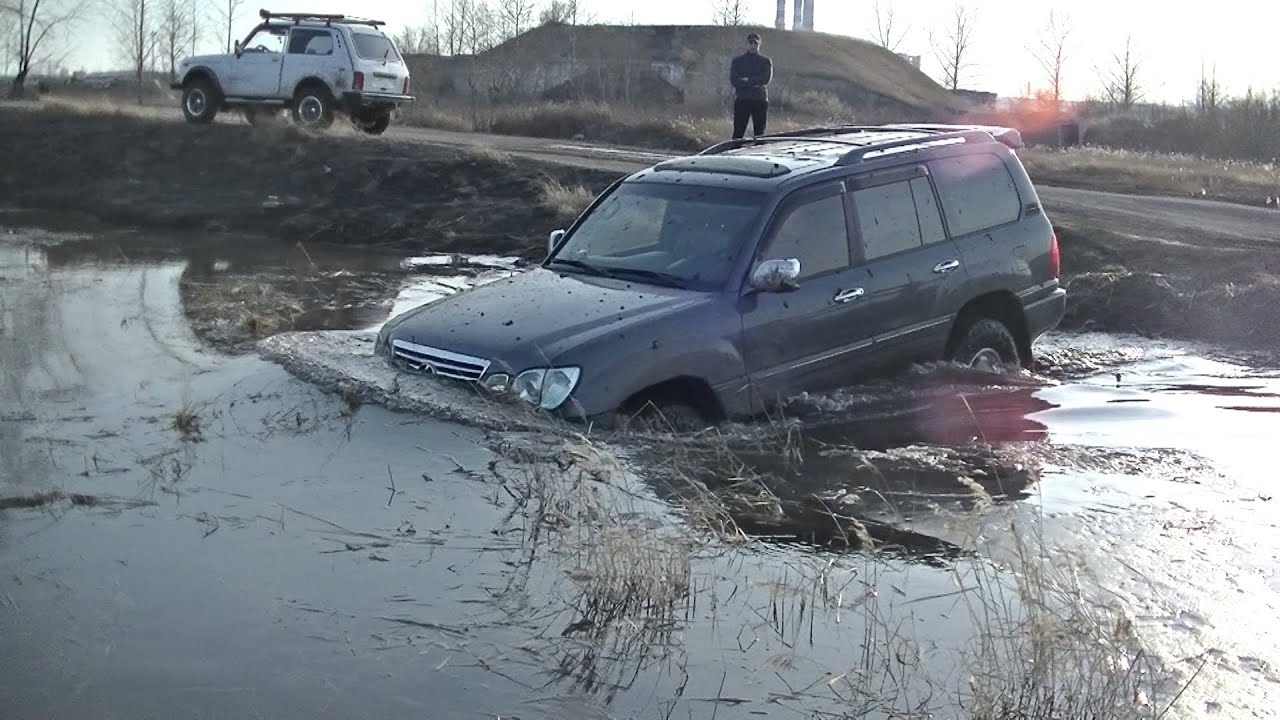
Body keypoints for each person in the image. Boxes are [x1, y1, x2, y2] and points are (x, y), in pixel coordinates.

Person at [729, 32, 773, 140]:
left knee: (760, 134)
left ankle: (759, 150)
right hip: (743, 99)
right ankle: (734, 150)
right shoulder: (738, 61)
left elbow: (765, 79)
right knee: (738, 132)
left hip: (759, 100)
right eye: (750, 43)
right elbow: (734, 80)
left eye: (755, 43)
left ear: (759, 44)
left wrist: (746, 80)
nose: (753, 46)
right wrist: (754, 82)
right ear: (746, 44)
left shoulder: (765, 61)